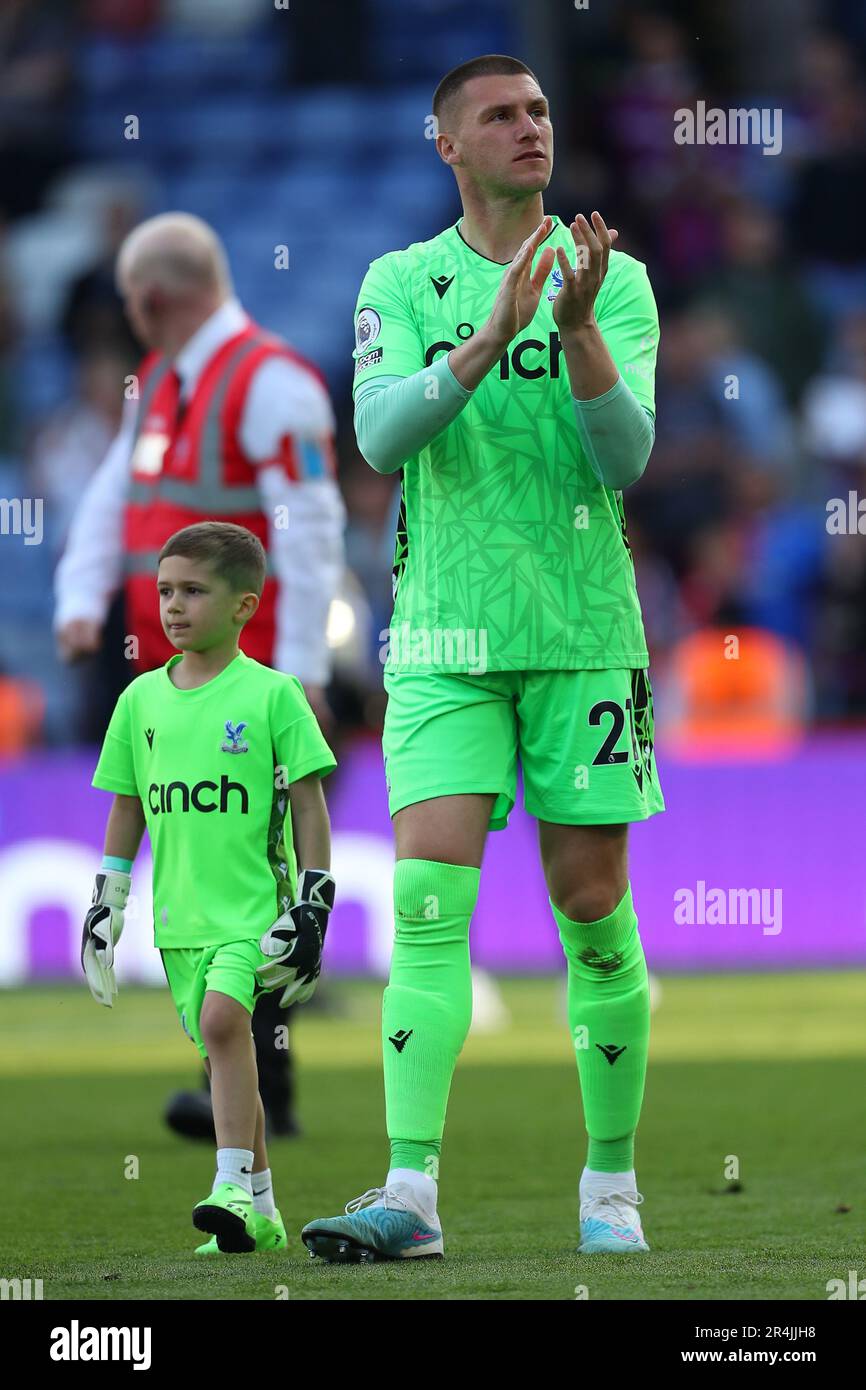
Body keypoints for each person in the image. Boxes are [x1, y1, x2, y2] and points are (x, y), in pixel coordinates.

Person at [301, 54, 663, 1262]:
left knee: (591, 908)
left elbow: (622, 461)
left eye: (539, 111)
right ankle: (410, 1194)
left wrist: (567, 334)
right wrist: (485, 337)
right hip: (446, 634)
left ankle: (608, 1191)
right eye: (499, 116)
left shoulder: (614, 283)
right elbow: (380, 430)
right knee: (422, 902)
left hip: (580, 635)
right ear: (445, 144)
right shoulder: (400, 280)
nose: (529, 129)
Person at [54, 212, 345, 1139]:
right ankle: (258, 1090)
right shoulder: (171, 386)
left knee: (251, 871)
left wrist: (295, 672)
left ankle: (265, 1093)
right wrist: (81, 593)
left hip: (243, 669)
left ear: (149, 300)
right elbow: (119, 491)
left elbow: (311, 529)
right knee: (216, 866)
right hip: (171, 674)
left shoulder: (271, 383)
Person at [84, 521, 337, 1255]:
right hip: (179, 921)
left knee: (229, 1026)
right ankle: (261, 1208)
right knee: (224, 1052)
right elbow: (128, 803)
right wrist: (109, 899)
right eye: (165, 590)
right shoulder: (139, 702)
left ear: (242, 606)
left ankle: (226, 1181)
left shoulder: (273, 695)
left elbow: (310, 802)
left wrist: (315, 898)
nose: (173, 605)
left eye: (193, 590)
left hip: (251, 913)